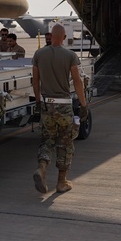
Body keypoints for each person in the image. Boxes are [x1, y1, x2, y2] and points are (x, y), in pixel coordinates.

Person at [31, 23, 87, 194]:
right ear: (63, 37)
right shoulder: (70, 55)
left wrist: (39, 101)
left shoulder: (39, 54)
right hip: (64, 106)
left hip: (47, 104)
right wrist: (83, 105)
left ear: (50, 36)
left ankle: (41, 167)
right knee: (65, 143)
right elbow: (77, 81)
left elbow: (35, 81)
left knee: (47, 140)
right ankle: (61, 182)